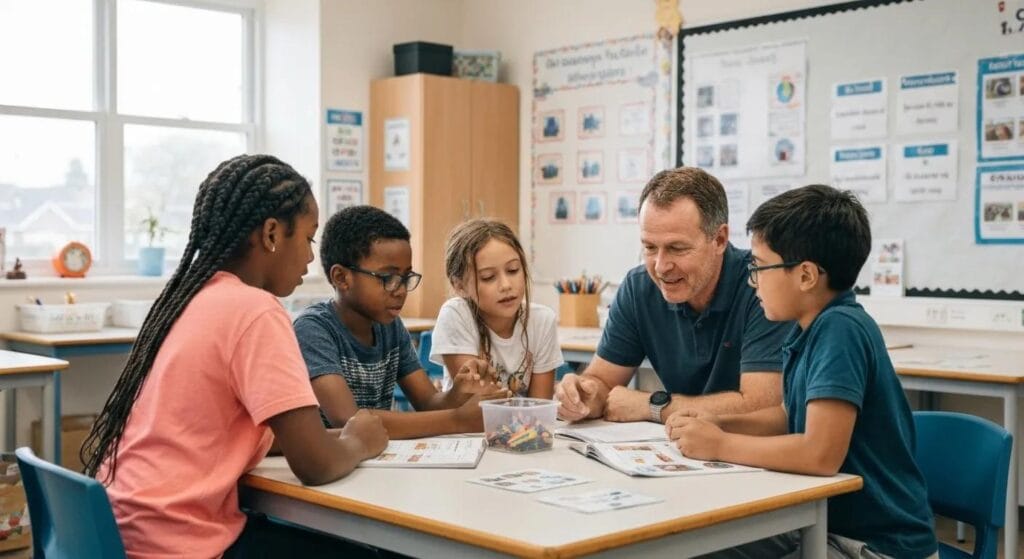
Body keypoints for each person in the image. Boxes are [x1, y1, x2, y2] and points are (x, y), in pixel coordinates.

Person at [80, 154, 390, 558]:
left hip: (122, 530)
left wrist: (328, 440)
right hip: (176, 543)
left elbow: (208, 433)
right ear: (272, 234)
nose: (311, 257)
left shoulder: (187, 298)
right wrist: (358, 441)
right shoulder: (256, 311)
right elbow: (315, 466)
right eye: (309, 239)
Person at [667, 184, 937, 559]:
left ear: (807, 276)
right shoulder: (807, 328)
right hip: (826, 522)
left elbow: (819, 454)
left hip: (875, 545)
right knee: (696, 544)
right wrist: (715, 420)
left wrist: (720, 445)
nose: (753, 280)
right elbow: (787, 417)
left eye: (759, 267)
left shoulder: (840, 330)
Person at [556, 167, 790, 424]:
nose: (660, 266)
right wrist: (583, 395)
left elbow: (762, 406)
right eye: (649, 247)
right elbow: (602, 383)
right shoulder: (639, 288)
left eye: (677, 248)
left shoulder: (763, 285)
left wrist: (652, 406)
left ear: (720, 240)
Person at [293, 206, 507, 439]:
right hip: (327, 466)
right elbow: (349, 420)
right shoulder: (313, 329)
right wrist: (458, 420)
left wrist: (460, 392)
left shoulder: (390, 326)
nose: (401, 290)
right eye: (388, 278)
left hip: (372, 458)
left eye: (406, 277)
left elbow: (428, 402)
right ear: (341, 277)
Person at [430, 219, 563, 399]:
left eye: (513, 270)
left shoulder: (542, 320)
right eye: (488, 277)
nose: (506, 285)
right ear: (459, 286)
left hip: (523, 426)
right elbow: (476, 403)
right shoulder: (456, 315)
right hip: (471, 426)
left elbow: (539, 405)